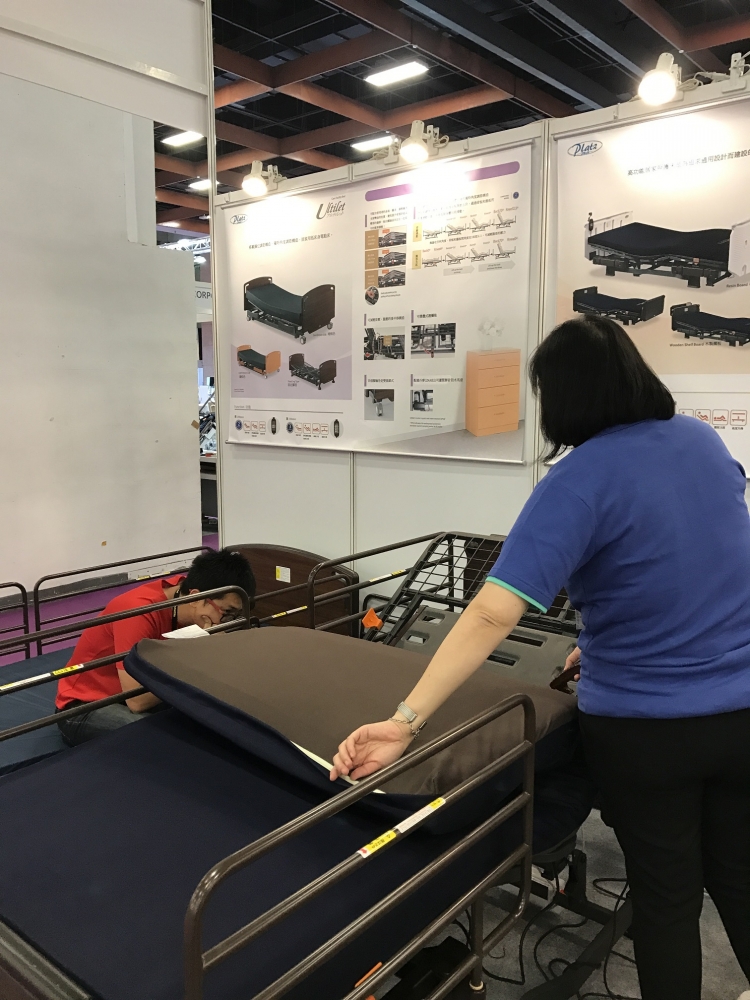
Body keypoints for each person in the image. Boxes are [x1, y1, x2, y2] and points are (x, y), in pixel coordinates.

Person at [330, 316, 750, 1000]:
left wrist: (404, 722)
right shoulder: (701, 441)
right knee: (739, 875)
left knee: (668, 897)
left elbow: (492, 612)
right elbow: (694, 549)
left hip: (646, 731)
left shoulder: (577, 480)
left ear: (560, 398)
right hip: (741, 714)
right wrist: (608, 627)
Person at [55, 548, 256, 745]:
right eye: (227, 612)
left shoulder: (186, 593)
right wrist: (203, 657)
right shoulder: (138, 612)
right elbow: (137, 701)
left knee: (217, 719)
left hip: (146, 690)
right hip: (86, 706)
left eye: (235, 614)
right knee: (170, 741)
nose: (228, 621)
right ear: (196, 597)